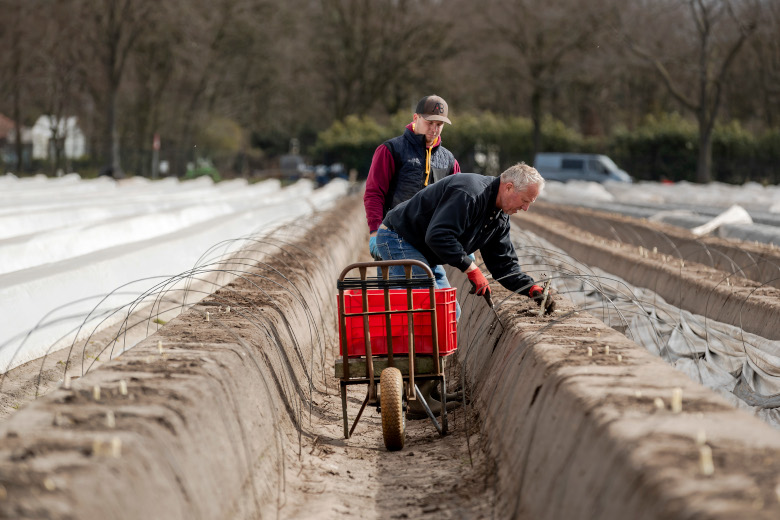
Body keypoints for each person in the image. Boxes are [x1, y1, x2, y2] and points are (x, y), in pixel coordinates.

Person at [375, 162, 557, 315]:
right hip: (399, 237)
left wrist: (531, 288)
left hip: (423, 251)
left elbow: (503, 264)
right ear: (509, 187)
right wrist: (470, 268)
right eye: (525, 201)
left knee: (451, 312)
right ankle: (408, 354)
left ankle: (435, 356)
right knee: (429, 308)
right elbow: (438, 235)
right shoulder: (469, 193)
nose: (525, 208)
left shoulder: (499, 219)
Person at [364, 95, 461, 262]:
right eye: (429, 122)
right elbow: (374, 194)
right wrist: (375, 232)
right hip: (394, 240)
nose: (434, 129)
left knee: (435, 287)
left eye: (439, 124)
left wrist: (461, 237)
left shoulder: (449, 160)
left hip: (431, 246)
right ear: (416, 118)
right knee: (401, 288)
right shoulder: (390, 150)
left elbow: (457, 202)